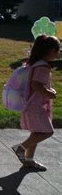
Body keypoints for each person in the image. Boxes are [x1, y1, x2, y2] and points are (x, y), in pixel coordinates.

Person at [11, 35, 59, 171]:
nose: (59, 52)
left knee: (37, 132)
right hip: (36, 105)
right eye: (57, 49)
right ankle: (20, 148)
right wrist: (50, 94)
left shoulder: (34, 64)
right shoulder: (43, 66)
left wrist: (49, 90)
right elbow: (36, 85)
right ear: (50, 51)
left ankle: (29, 160)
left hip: (30, 104)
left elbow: (37, 84)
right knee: (48, 132)